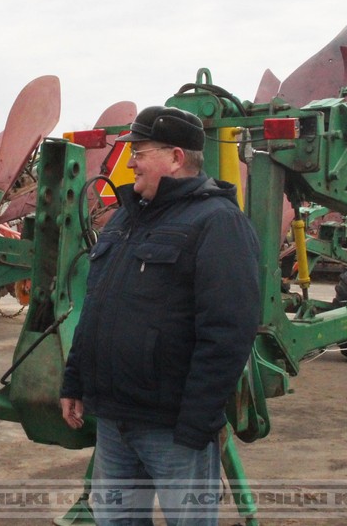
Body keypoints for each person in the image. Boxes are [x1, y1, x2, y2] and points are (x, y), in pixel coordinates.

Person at [60, 106, 260, 525]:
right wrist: (75, 381)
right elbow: (96, 307)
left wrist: (196, 422)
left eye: (140, 151)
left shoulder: (218, 222)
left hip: (173, 430)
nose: (130, 161)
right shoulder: (124, 221)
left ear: (175, 157)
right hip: (114, 424)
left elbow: (228, 332)